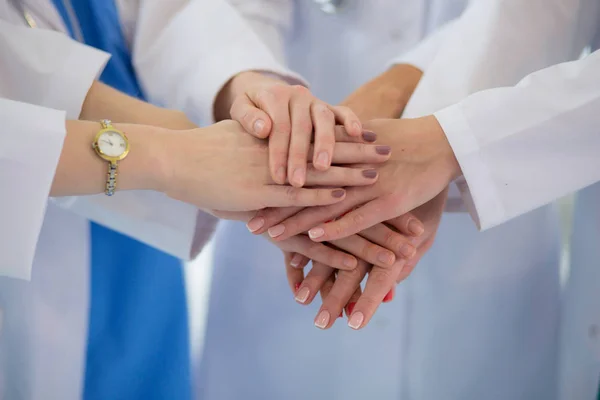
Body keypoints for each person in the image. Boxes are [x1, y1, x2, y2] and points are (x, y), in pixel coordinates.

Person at [0, 1, 404, 398]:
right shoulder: (172, 160)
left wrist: (250, 93)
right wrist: (172, 156)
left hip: (143, 240)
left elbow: (159, 12)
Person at [197, 1, 562, 399]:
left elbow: (549, 13)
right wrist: (261, 98)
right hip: (285, 179)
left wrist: (438, 130)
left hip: (485, 233)